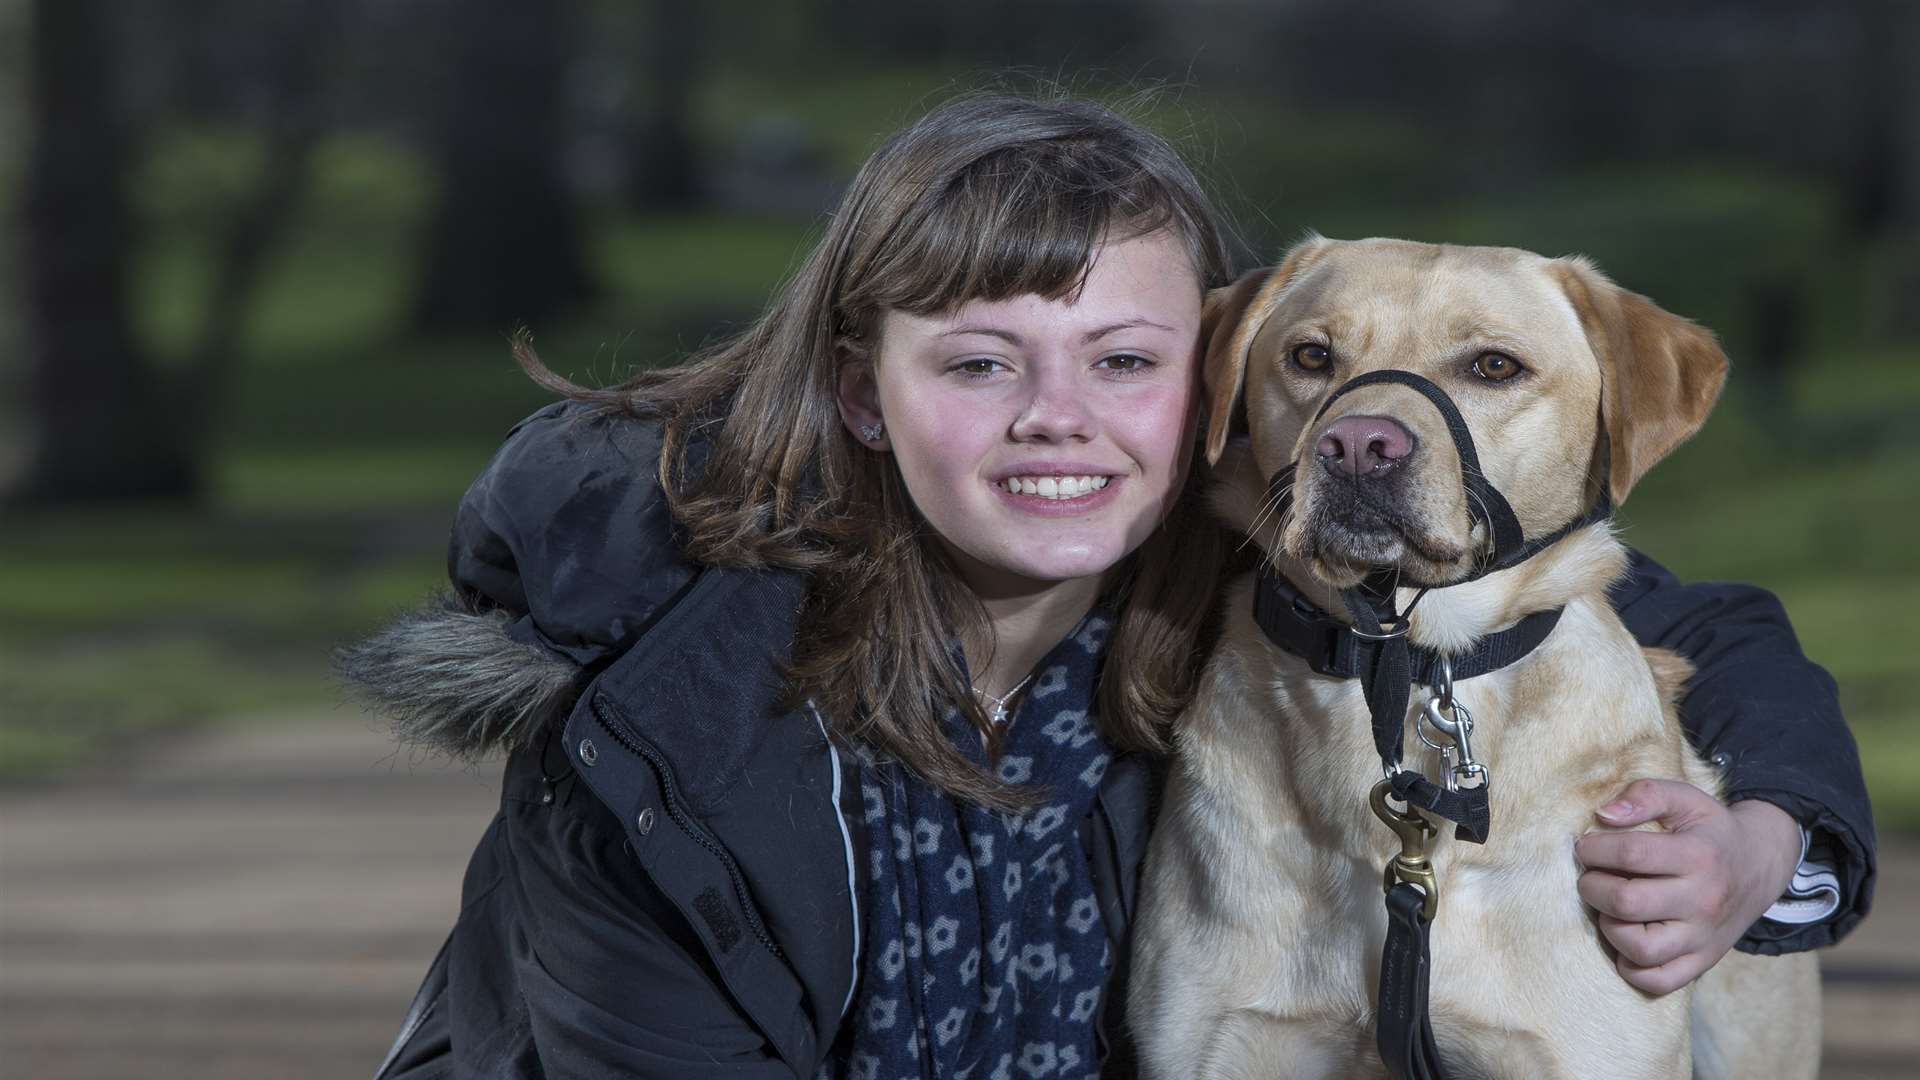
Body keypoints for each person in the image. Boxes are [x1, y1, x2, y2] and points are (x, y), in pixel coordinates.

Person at [340, 91, 1874, 1079]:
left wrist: (1762, 840)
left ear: (1195, 391)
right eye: (979, 362)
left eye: (1125, 362)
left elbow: (1691, 624)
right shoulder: (675, 723)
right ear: (862, 391)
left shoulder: (1267, 561)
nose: (1059, 419)